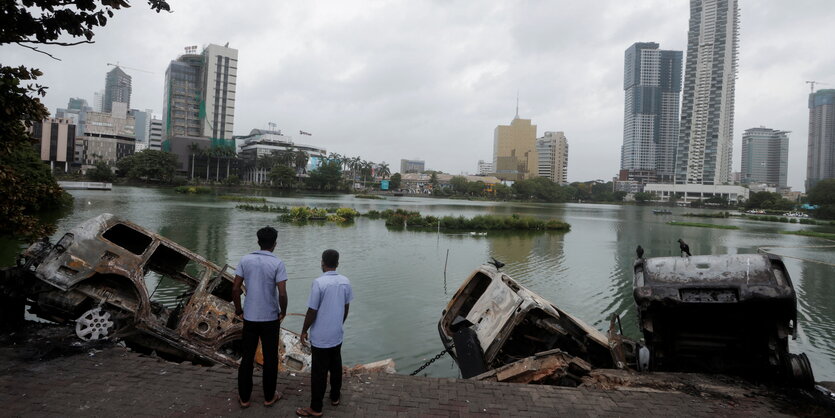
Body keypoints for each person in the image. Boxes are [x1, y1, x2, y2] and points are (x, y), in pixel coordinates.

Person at [232, 226, 288, 408]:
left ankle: (245, 398)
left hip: (250, 317)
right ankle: (269, 396)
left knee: (247, 356)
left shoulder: (245, 260)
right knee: (271, 357)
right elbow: (282, 292)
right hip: (270, 318)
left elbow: (235, 288)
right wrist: (283, 311)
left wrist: (238, 309)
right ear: (275, 244)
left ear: (258, 242)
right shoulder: (277, 263)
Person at [296, 249, 353, 417]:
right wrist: (339, 323)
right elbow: (346, 307)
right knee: (336, 366)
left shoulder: (319, 283)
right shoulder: (345, 281)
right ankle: (335, 397)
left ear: (322, 263)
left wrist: (304, 330)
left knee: (319, 372)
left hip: (321, 336)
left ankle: (316, 408)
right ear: (337, 263)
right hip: (337, 333)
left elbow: (312, 310)